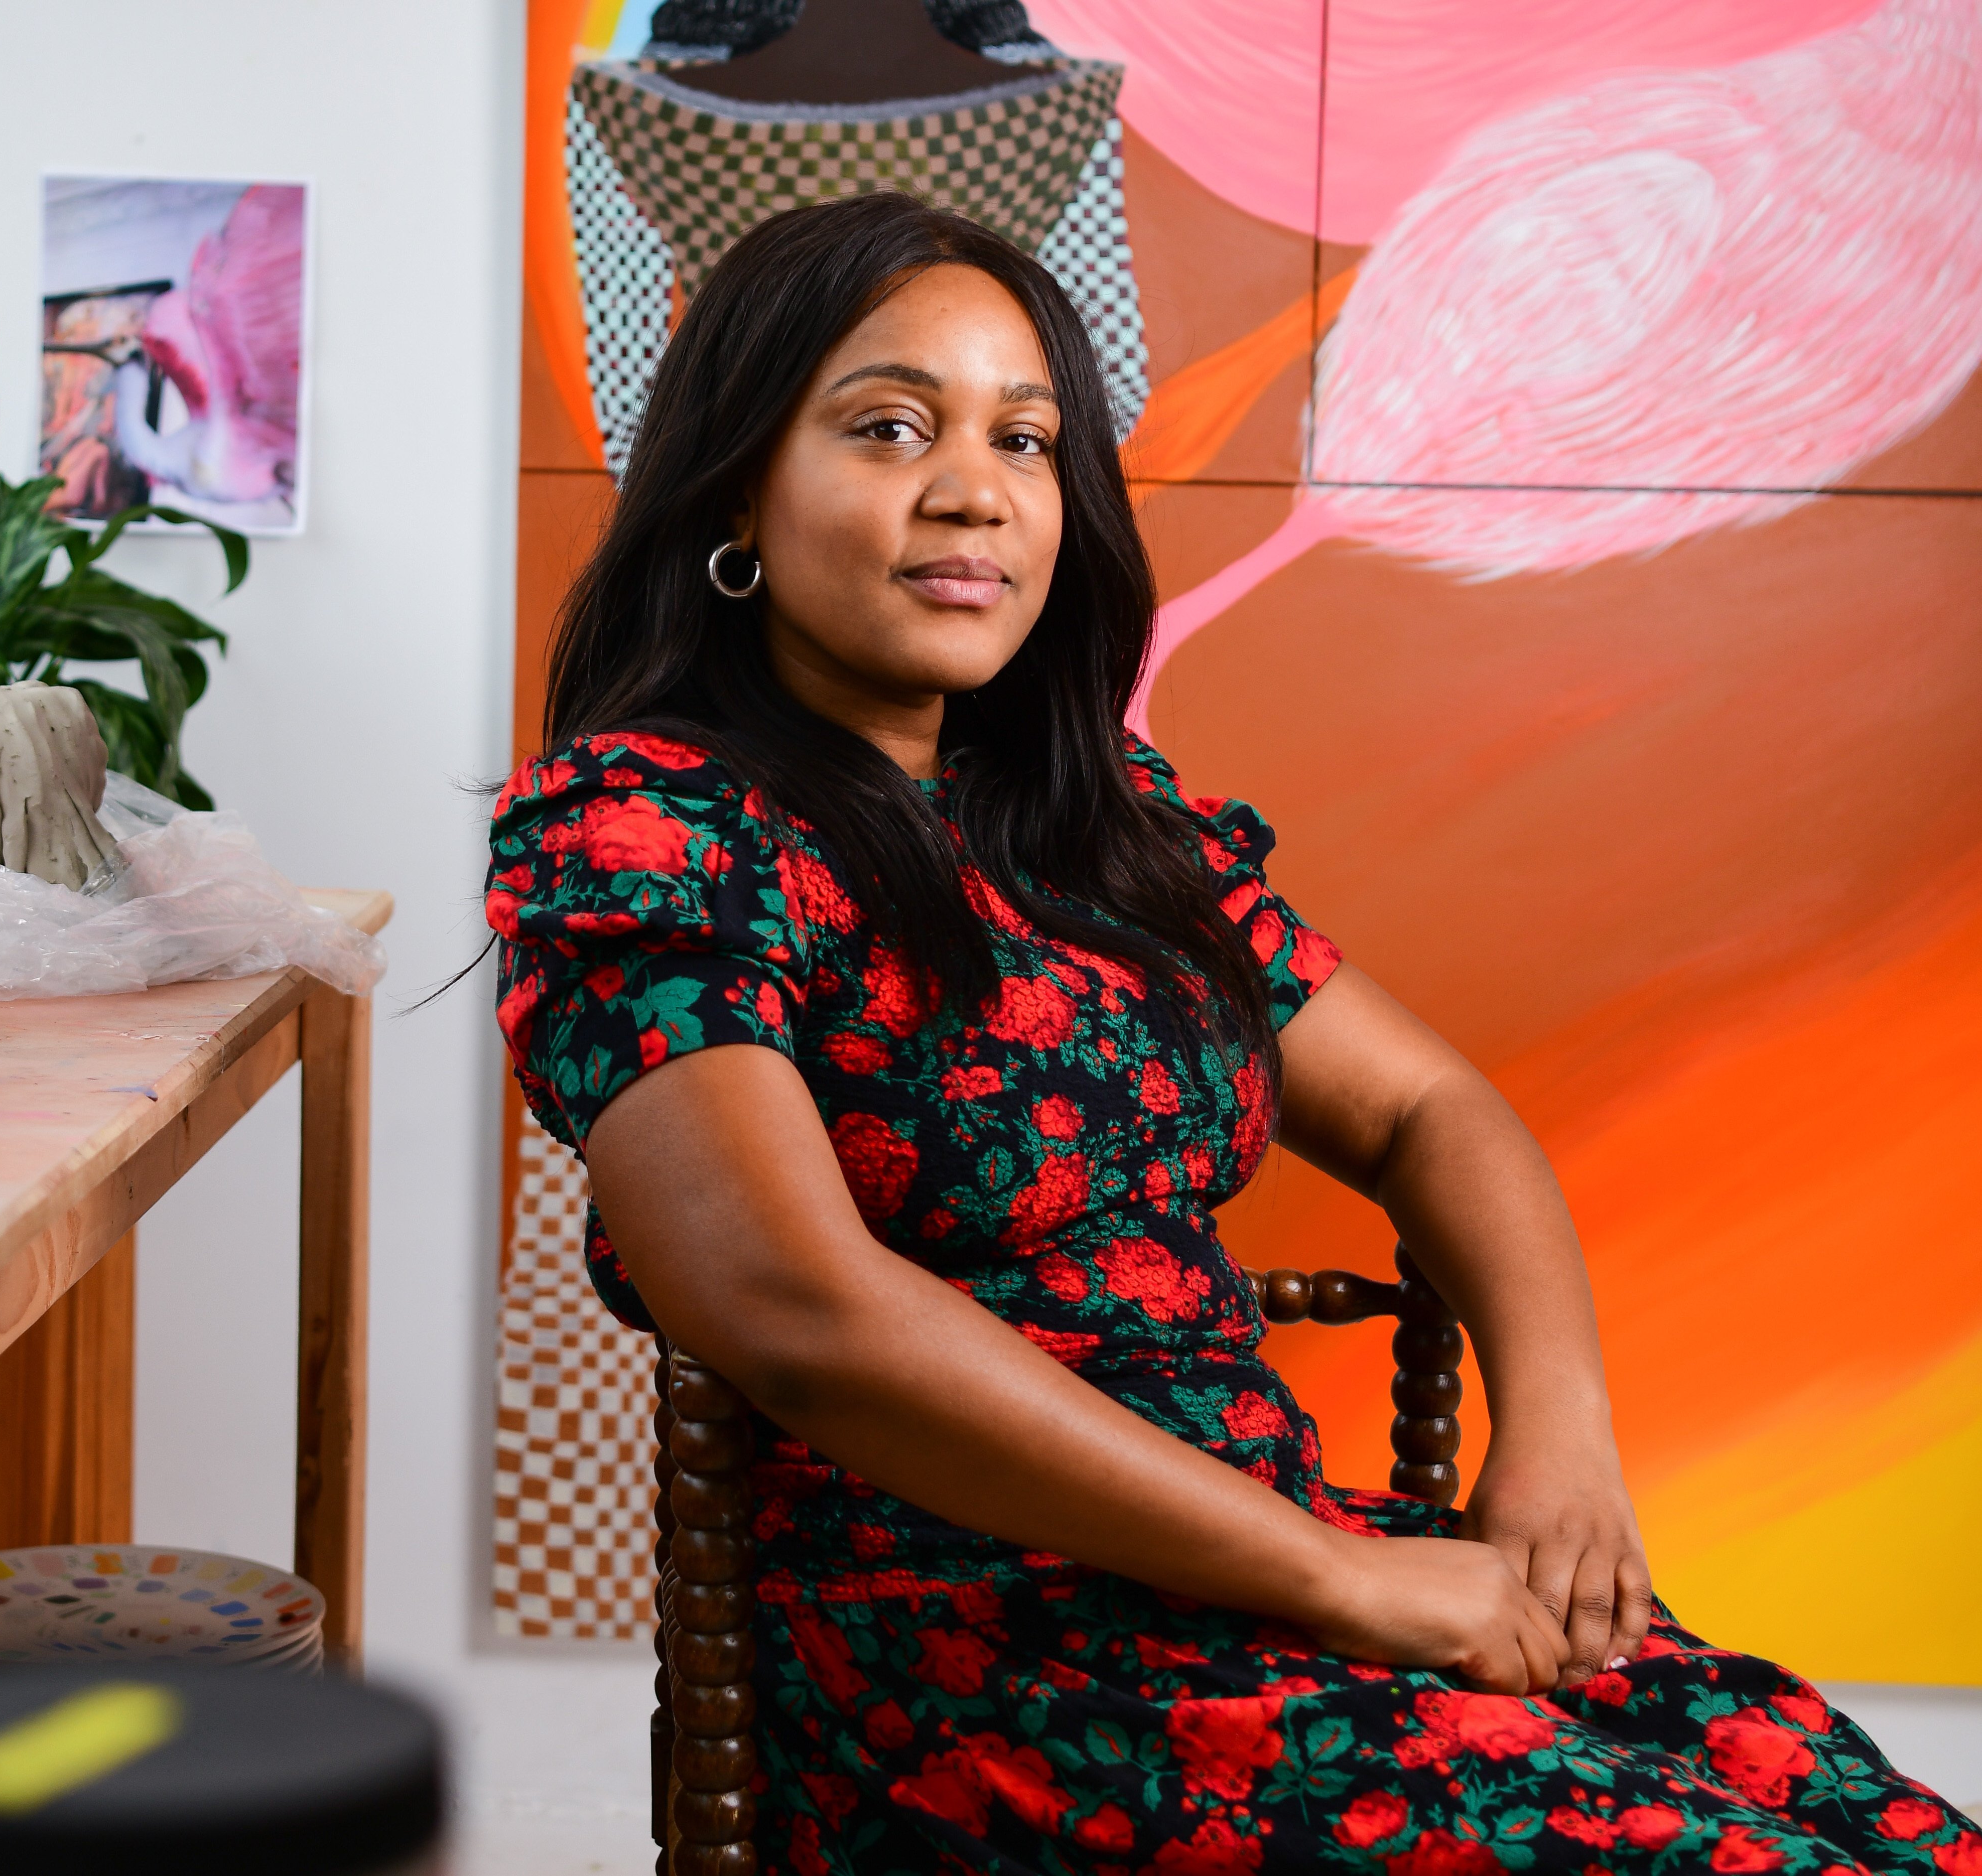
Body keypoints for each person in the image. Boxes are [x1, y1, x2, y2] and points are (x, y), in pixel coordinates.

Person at [486, 192, 1974, 1873]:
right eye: (890, 425)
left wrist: (1557, 1440)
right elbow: (789, 1304)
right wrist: (1343, 1580)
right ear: (738, 486)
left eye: (1027, 438)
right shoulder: (644, 829)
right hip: (981, 1667)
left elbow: (1428, 1109)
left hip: (1273, 1574)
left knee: (1886, 1830)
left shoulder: (1102, 823)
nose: (973, 486)